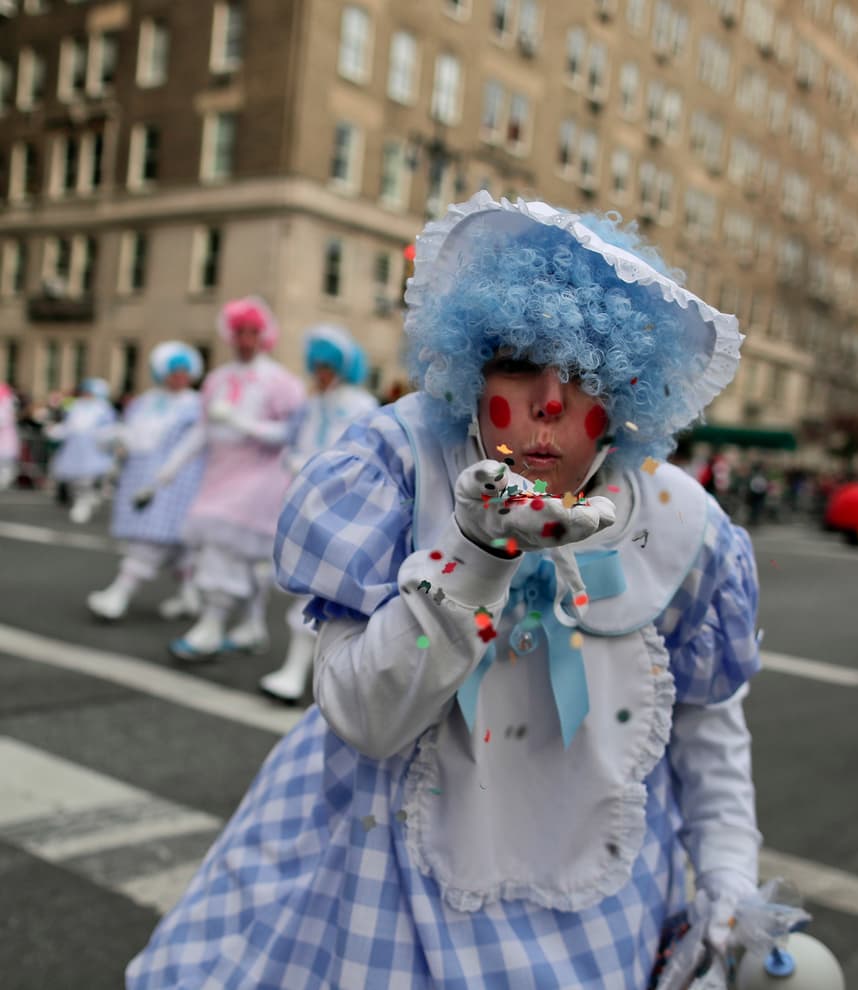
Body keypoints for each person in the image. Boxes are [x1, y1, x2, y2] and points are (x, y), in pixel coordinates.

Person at [127, 193, 763, 988]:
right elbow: (367, 717)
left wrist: (731, 878)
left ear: (627, 393)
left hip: (603, 910)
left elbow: (708, 730)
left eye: (584, 372)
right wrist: (478, 553)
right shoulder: (401, 463)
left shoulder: (678, 522)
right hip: (383, 883)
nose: (551, 402)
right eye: (520, 362)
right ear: (474, 364)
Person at [138, 297, 306, 661]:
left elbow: (291, 433)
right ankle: (250, 626)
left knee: (224, 550)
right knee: (240, 557)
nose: (245, 340)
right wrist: (164, 474)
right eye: (239, 333)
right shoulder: (216, 380)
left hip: (259, 478)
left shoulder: (280, 382)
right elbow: (201, 431)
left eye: (252, 333)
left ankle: (211, 627)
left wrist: (240, 422)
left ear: (264, 336)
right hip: (219, 475)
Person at [258, 323, 379, 704]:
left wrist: (319, 467)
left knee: (323, 587)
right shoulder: (311, 404)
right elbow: (293, 441)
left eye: (330, 364)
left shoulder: (361, 404)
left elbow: (364, 453)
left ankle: (302, 673)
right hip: (304, 501)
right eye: (318, 364)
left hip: (344, 506)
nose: (322, 371)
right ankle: (310, 673)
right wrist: (294, 461)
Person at [86, 343, 206, 621]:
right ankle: (190, 595)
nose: (179, 376)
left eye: (184, 371)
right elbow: (130, 435)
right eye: (173, 371)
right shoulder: (145, 402)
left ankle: (120, 593)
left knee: (151, 541)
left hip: (177, 483)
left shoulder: (196, 405)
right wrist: (117, 438)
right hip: (139, 475)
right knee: (178, 546)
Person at [45, 378, 118, 524]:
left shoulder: (103, 409)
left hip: (93, 450)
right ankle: (82, 499)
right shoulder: (75, 407)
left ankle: (84, 503)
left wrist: (106, 442)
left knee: (87, 479)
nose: (86, 395)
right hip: (74, 449)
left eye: (89, 393)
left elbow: (109, 430)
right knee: (72, 478)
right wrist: (55, 431)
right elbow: (68, 427)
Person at [0, 381, 17, 490]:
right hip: (5, 437)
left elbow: (3, 420)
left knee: (5, 461)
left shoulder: (5, 404)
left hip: (5, 437)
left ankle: (5, 479)